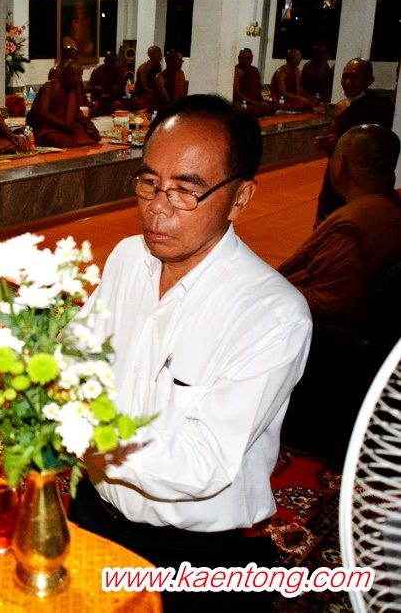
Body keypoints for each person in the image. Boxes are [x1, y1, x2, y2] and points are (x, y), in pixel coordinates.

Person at [65, 94, 311, 612]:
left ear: (240, 197)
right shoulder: (129, 257)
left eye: (185, 190)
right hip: (93, 510)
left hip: (189, 554)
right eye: (149, 182)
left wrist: (76, 429)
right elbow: (79, 346)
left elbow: (203, 464)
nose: (157, 206)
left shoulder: (272, 314)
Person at [280, 125, 401, 323]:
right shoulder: (390, 204)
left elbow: (325, 302)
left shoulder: (352, 225)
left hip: (323, 330)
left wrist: (267, 288)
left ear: (341, 164)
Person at [311, 58, 394, 225]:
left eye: (355, 77)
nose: (348, 82)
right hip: (336, 176)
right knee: (325, 222)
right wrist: (326, 142)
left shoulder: (380, 107)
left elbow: (377, 147)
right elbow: (335, 141)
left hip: (361, 180)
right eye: (345, 76)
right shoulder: (341, 106)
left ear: (369, 81)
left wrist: (339, 143)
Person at [29, 61, 101, 149]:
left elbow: (76, 112)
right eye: (78, 75)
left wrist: (86, 123)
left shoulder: (71, 89)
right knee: (63, 141)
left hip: (66, 128)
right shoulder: (50, 86)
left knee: (94, 135)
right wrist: (64, 125)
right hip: (48, 128)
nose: (80, 79)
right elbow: (43, 112)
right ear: (68, 75)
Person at [233, 48, 272, 116]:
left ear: (252, 57)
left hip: (256, 102)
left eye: (248, 58)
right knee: (251, 109)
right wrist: (256, 103)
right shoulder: (235, 71)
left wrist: (260, 101)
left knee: (273, 105)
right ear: (239, 58)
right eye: (243, 58)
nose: (246, 61)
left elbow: (257, 90)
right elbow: (236, 93)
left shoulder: (255, 70)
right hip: (243, 102)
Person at [87, 51, 128, 115]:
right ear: (105, 61)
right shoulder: (97, 71)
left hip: (114, 99)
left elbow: (123, 86)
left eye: (113, 63)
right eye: (109, 63)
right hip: (100, 101)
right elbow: (87, 88)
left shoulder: (119, 70)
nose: (111, 66)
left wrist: (119, 87)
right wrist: (97, 88)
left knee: (124, 105)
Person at [148, 49, 187, 114]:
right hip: (161, 113)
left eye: (181, 61)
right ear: (169, 62)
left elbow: (184, 96)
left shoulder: (180, 74)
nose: (180, 64)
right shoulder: (159, 78)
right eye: (178, 61)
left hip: (176, 110)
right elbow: (166, 101)